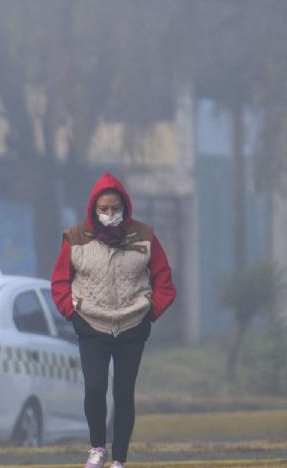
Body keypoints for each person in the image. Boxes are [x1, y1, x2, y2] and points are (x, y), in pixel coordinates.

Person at [51, 172, 176, 468]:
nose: (109, 215)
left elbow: (164, 281)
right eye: (103, 210)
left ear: (125, 207)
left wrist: (149, 312)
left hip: (132, 325)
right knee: (94, 388)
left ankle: (119, 458)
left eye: (115, 209)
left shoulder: (145, 237)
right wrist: (73, 312)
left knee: (123, 393)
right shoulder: (75, 238)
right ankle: (97, 447)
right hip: (92, 325)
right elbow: (59, 283)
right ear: (94, 209)